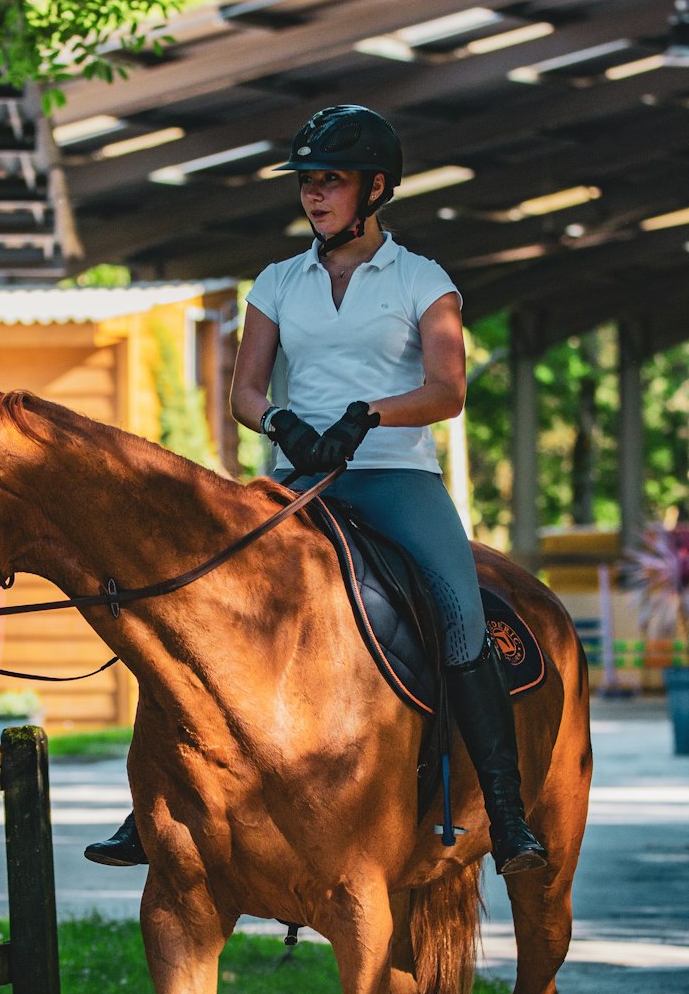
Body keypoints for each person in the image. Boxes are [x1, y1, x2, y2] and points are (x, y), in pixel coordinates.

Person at [85, 104, 546, 878]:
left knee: (461, 613)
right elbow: (245, 392)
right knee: (199, 602)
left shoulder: (423, 281)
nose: (313, 194)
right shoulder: (277, 282)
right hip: (303, 475)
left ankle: (506, 811)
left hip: (397, 472)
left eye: (329, 181)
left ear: (375, 189)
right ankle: (152, 802)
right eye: (307, 181)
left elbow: (447, 390)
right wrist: (283, 424)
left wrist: (368, 415)